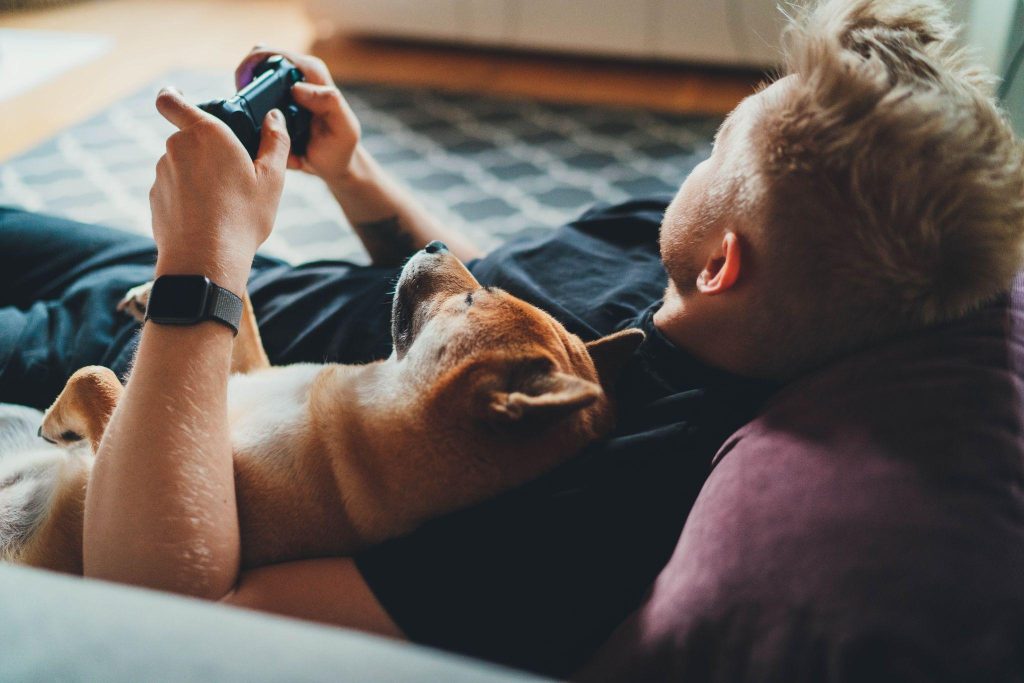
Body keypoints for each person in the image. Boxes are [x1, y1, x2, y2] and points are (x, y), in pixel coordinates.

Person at [1, 0, 1021, 677]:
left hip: (160, 371)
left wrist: (202, 267)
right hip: (233, 293)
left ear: (722, 262)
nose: (689, 157)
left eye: (714, 150)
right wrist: (351, 174)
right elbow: (488, 289)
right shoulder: (661, 250)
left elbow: (197, 606)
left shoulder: (602, 484)